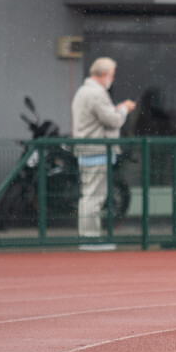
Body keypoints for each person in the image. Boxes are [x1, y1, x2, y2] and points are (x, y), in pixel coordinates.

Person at [71, 57, 136, 248]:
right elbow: (113, 120)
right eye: (112, 75)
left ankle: (87, 237)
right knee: (94, 197)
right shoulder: (97, 93)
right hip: (97, 151)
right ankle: (91, 239)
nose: (112, 79)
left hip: (86, 150)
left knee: (88, 196)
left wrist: (116, 110)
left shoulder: (83, 91)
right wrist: (124, 110)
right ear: (103, 74)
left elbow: (102, 116)